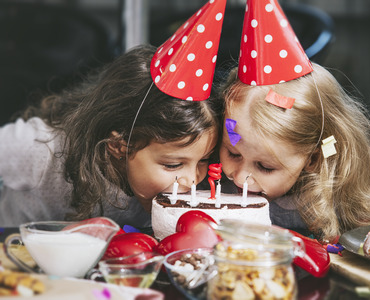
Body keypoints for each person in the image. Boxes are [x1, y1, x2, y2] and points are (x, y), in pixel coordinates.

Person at [0, 44, 223, 227]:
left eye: (203, 160)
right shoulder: (40, 150)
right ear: (118, 145)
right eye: (173, 165)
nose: (193, 180)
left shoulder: (190, 183)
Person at [218, 64, 370, 242]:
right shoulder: (207, 182)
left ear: (313, 159)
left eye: (265, 167)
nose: (240, 178)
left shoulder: (328, 206)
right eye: (233, 153)